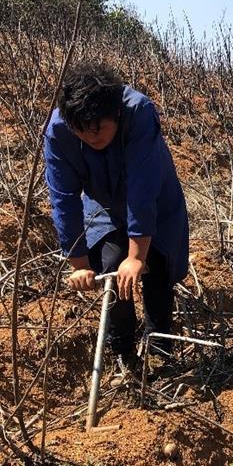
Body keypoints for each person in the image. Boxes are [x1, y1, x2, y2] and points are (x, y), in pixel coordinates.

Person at [44, 62, 189, 376]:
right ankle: (123, 351)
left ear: (116, 114)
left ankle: (161, 350)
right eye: (81, 130)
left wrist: (137, 256)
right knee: (109, 265)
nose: (90, 136)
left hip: (156, 197)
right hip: (104, 205)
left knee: (157, 266)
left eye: (98, 128)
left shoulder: (138, 113)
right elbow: (63, 199)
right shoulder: (58, 131)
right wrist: (79, 264)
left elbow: (142, 189)